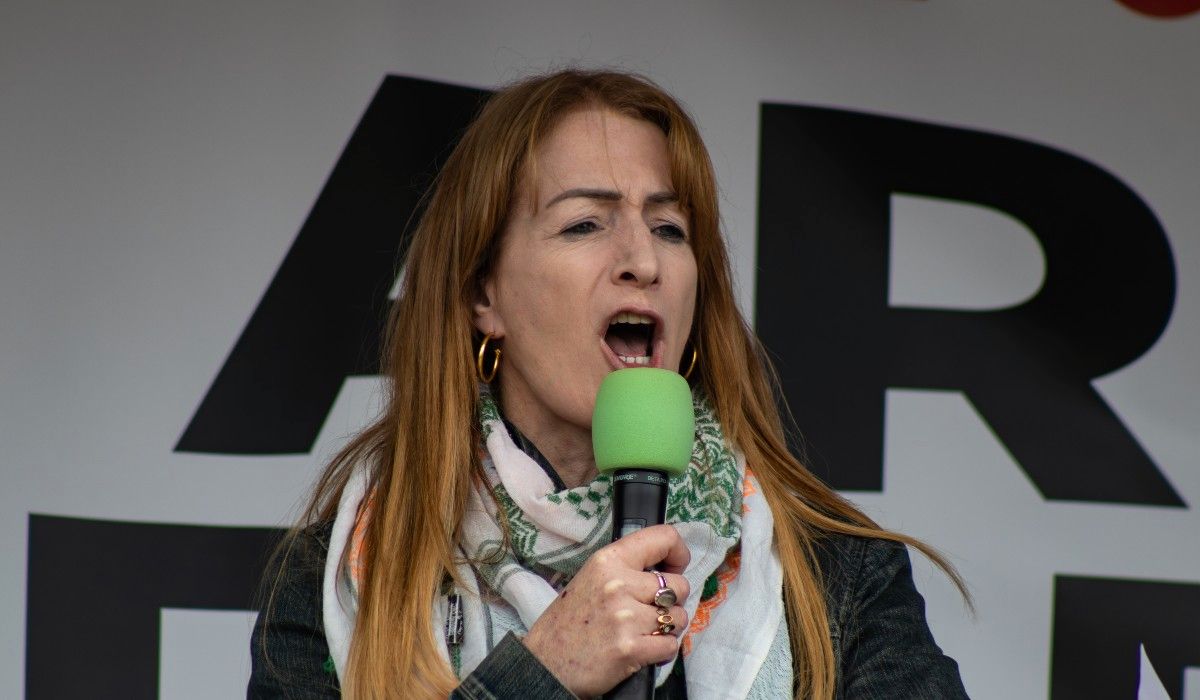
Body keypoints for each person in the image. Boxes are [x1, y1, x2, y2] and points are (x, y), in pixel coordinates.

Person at [249, 69, 970, 699]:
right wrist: (543, 674)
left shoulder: (840, 581)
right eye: (586, 224)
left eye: (669, 229)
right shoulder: (329, 583)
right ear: (483, 295)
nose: (641, 262)